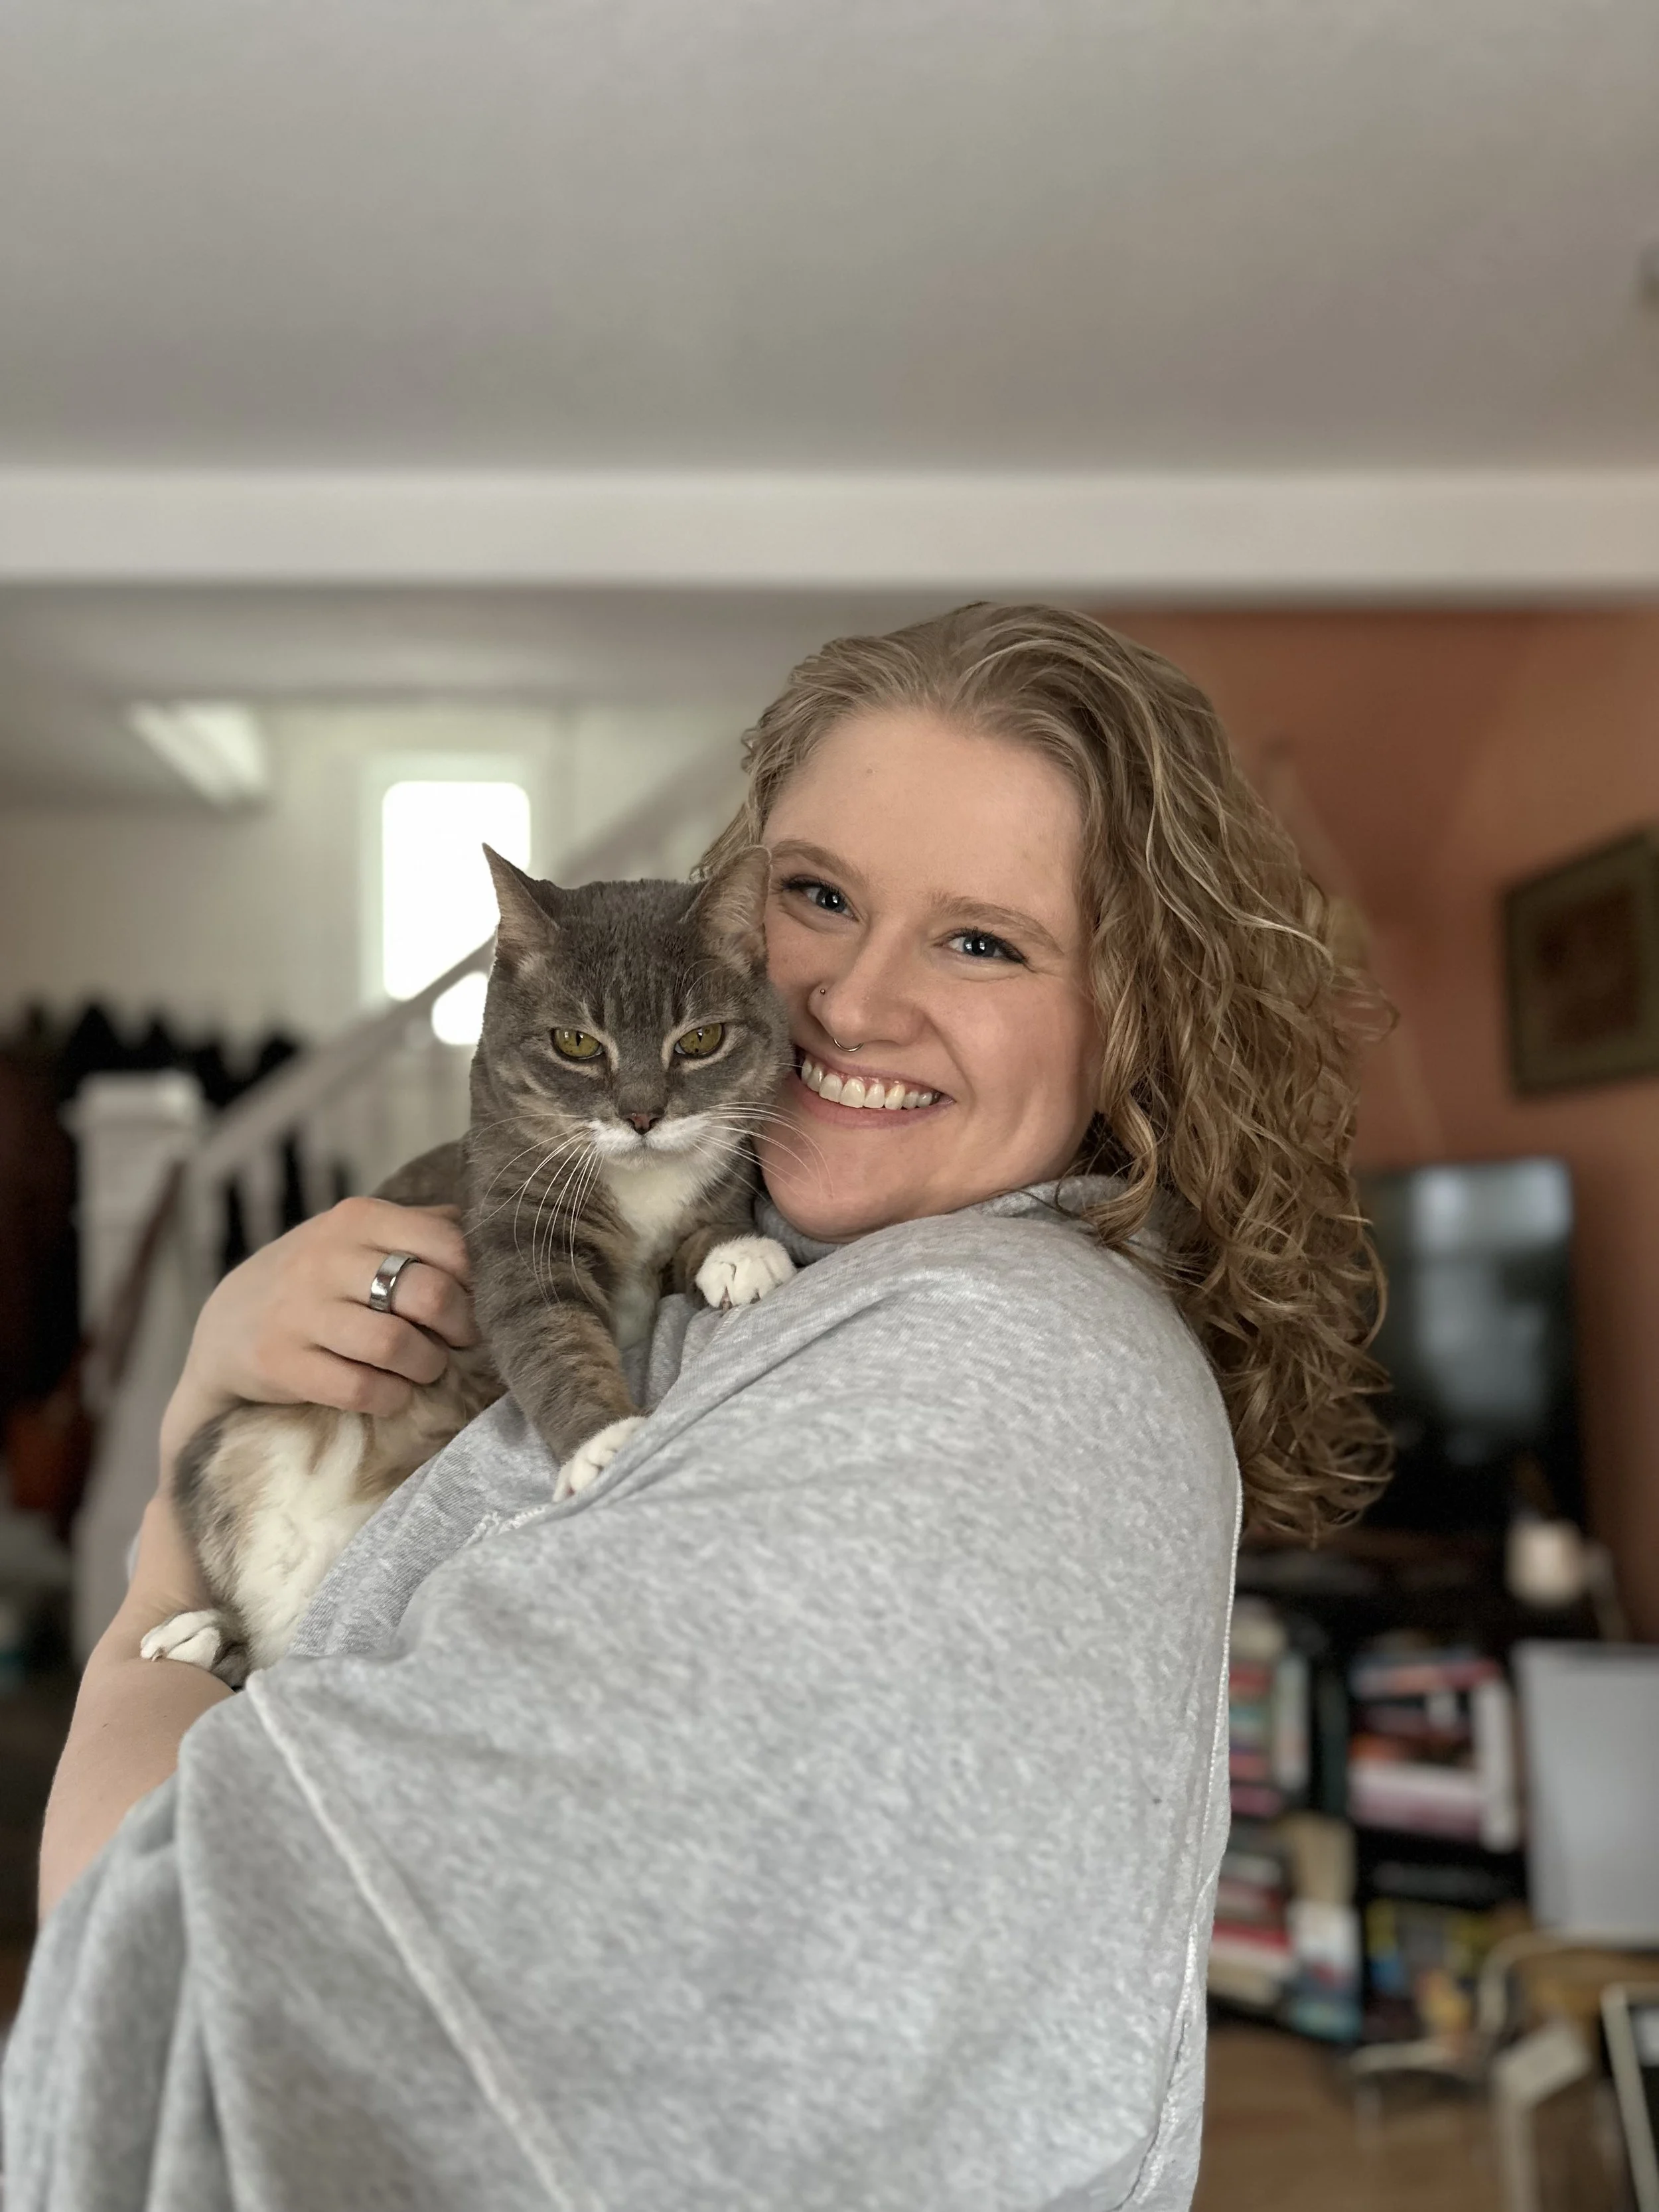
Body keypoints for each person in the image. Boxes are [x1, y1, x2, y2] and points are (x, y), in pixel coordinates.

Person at [7, 605, 1386, 2211]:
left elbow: (191, 1988)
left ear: (1135, 1012)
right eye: (818, 896)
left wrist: (157, 1596)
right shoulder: (788, 1269)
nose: (847, 1002)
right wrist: (243, 1377)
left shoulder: (979, 1373)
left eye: (981, 942)